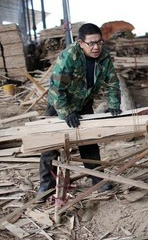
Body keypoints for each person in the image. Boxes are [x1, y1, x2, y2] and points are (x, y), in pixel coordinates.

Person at [38, 23, 122, 199]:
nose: (96, 47)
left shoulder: (104, 57)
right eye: (91, 43)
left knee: (89, 142)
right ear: (81, 43)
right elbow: (56, 89)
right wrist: (66, 112)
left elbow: (113, 83)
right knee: (50, 145)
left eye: (99, 42)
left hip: (84, 102)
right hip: (60, 104)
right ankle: (46, 187)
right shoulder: (69, 56)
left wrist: (114, 104)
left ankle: (98, 180)